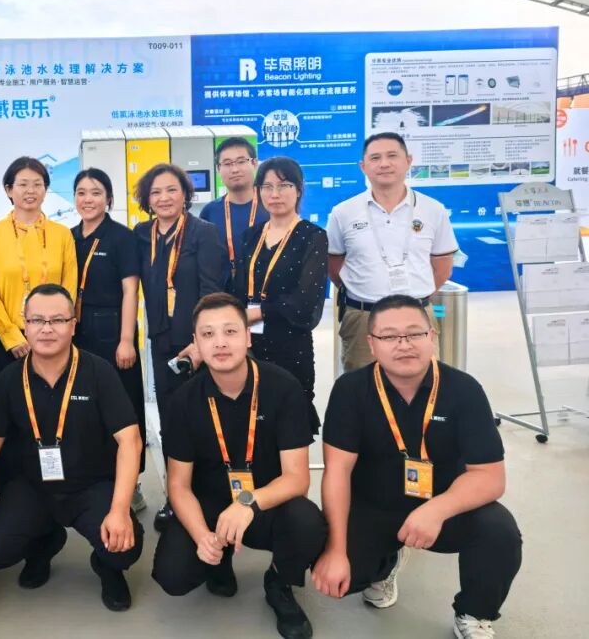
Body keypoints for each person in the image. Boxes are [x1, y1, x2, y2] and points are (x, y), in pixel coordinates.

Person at [312, 295, 521, 639]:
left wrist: (436, 509)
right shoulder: (350, 390)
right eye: (390, 336)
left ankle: (474, 612)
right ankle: (385, 566)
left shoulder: (464, 390)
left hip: (444, 504)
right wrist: (335, 550)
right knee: (339, 574)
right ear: (372, 343)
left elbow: (490, 477)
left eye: (414, 333)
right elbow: (337, 471)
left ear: (431, 336)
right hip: (374, 505)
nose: (404, 344)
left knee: (499, 532)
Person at [0, 284, 144, 613]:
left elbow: (130, 440)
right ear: (25, 324)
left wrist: (120, 509)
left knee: (124, 548)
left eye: (57, 320)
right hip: (34, 488)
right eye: (37, 320)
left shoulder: (99, 372)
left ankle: (106, 566)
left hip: (90, 486)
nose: (47, 328)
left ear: (73, 324)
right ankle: (44, 543)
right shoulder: (10, 378)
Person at [151, 293, 325, 639]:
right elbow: (179, 486)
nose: (220, 342)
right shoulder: (183, 401)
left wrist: (247, 503)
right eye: (208, 334)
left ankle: (279, 582)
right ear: (196, 343)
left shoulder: (283, 388)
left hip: (265, 503)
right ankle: (219, 558)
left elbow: (297, 479)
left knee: (308, 524)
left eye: (230, 331)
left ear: (247, 336)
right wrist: (202, 536)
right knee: (174, 576)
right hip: (209, 506)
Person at [133, 163, 228, 531]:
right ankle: (176, 499)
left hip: (196, 346)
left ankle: (209, 497)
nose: (163, 198)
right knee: (171, 422)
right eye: (155, 192)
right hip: (161, 343)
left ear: (185, 193)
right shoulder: (142, 235)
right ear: (146, 199)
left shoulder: (205, 233)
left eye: (171, 190)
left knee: (202, 421)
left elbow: (211, 291)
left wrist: (200, 342)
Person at [327, 132, 458, 372]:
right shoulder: (343, 212)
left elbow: (442, 266)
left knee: (422, 383)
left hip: (417, 317)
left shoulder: (433, 210)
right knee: (362, 387)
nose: (384, 164)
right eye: (375, 158)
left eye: (392, 156)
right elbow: (334, 266)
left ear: (408, 161)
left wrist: (413, 297)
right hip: (363, 317)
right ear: (363, 167)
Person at [233, 157, 328, 432]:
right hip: (248, 343)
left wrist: (256, 313)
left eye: (284, 186)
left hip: (289, 344)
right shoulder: (250, 236)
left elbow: (305, 301)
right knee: (251, 420)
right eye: (267, 186)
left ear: (298, 190)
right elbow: (238, 287)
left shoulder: (312, 236)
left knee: (288, 420)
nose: (275, 194)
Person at [71, 168, 147, 512]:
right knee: (85, 406)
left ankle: (133, 483)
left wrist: (126, 339)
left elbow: (130, 290)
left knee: (123, 406)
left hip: (113, 328)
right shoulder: (68, 237)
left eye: (96, 192)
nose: (88, 199)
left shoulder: (122, 237)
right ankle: (97, 479)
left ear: (109, 199)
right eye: (81, 192)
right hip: (76, 330)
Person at [0, 156, 78, 394]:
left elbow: (69, 286)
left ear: (45, 190)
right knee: (6, 404)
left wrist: (53, 327)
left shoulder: (62, 235)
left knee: (51, 402)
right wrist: (10, 335)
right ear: (8, 190)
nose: (30, 191)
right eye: (22, 184)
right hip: (3, 338)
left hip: (51, 335)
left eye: (37, 184)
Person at [198, 137, 268, 284]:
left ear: (254, 163)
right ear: (218, 169)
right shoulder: (209, 212)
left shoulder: (270, 206)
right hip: (223, 292)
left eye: (241, 161)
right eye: (227, 163)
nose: (235, 169)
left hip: (266, 291)